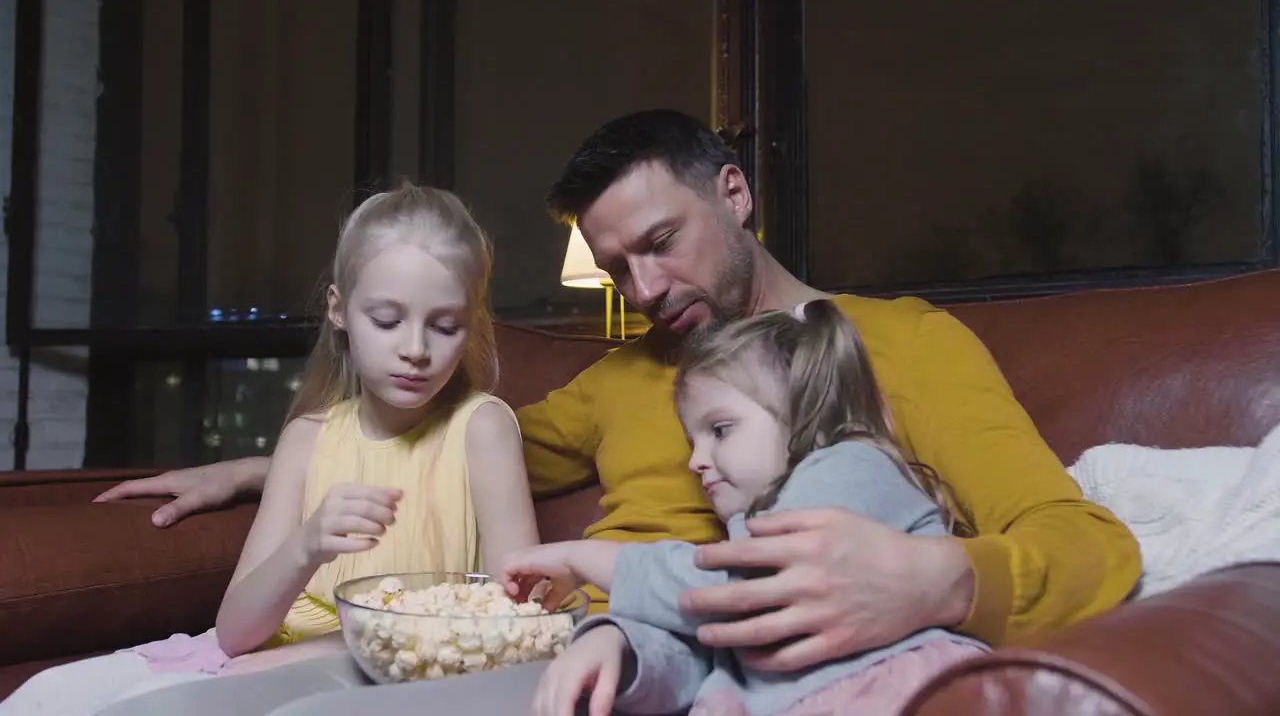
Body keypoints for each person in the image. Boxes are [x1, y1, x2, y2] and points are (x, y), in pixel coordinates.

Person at [95, 109, 1141, 677]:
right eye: (616, 266)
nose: (642, 291)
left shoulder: (900, 342)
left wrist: (937, 580)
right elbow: (428, 435)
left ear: (732, 194)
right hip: (583, 664)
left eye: (659, 244)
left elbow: (1089, 547)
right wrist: (250, 469)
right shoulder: (620, 377)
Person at [5, 183, 541, 714]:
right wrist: (306, 545)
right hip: (258, 654)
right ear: (339, 310)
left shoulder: (482, 428)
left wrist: (315, 654)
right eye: (387, 320)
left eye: (445, 326)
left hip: (385, 671)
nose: (416, 350)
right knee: (48, 697)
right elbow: (235, 633)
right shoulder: (308, 438)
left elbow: (510, 626)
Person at [502, 299, 990, 716]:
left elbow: (742, 595)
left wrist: (589, 560)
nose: (696, 461)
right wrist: (620, 646)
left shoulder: (850, 466)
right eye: (691, 439)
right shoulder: (746, 538)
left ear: (807, 411)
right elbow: (708, 647)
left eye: (719, 430)